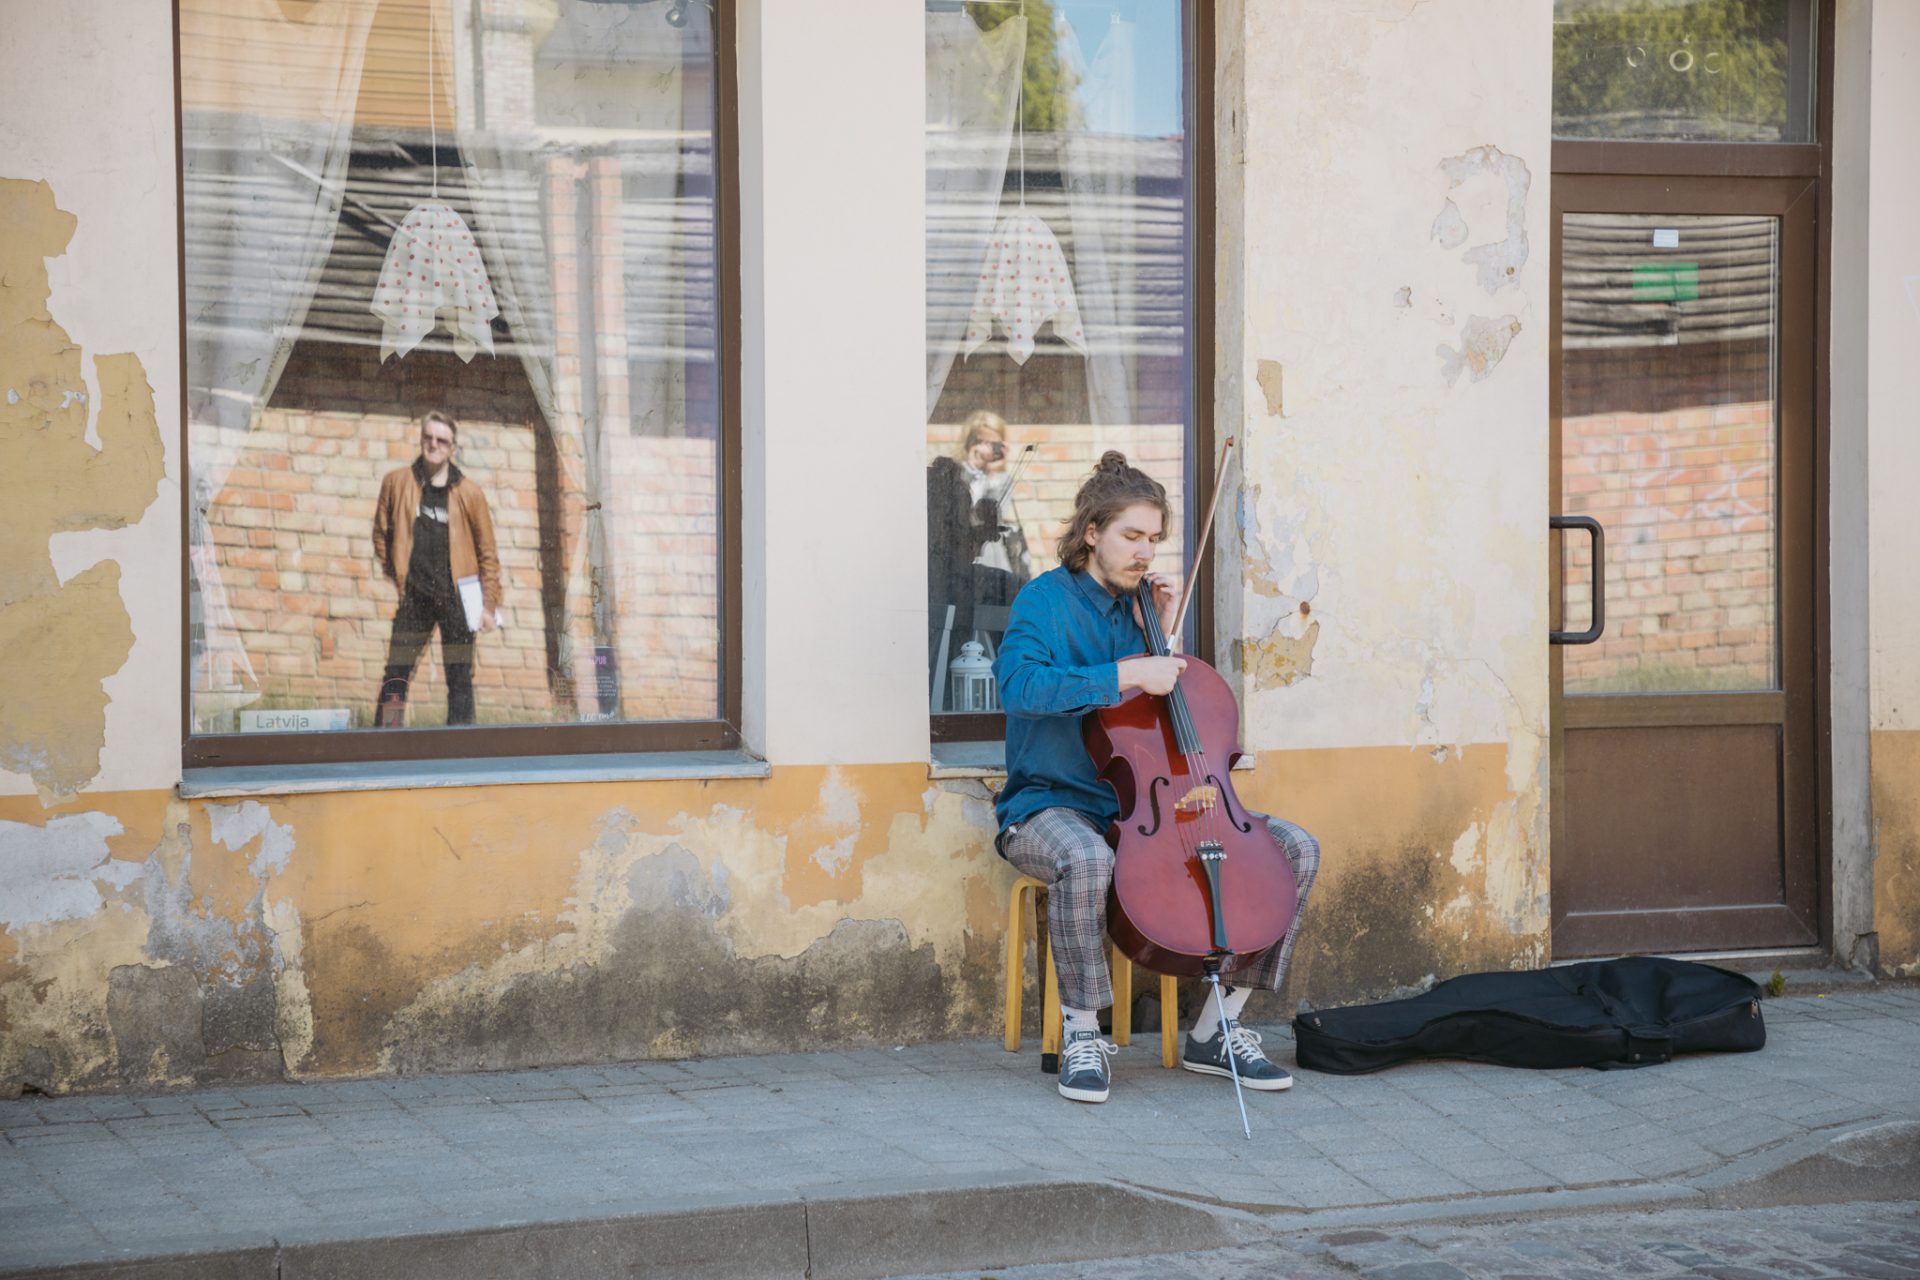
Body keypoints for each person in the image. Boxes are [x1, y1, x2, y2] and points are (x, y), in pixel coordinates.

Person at [993, 451, 1321, 1104]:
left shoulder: (1145, 612)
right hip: (1050, 805)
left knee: (1293, 849)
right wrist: (1126, 673)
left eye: (1153, 539)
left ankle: (1217, 1028)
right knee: (1085, 857)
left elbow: (1158, 727)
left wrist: (1160, 640)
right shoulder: (1044, 601)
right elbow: (1020, 684)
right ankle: (1085, 1034)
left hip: (1149, 812)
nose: (1145, 552)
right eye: (1131, 536)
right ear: (1093, 533)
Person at [371, 411, 501, 726]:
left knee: (459, 677)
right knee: (396, 674)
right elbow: (381, 533)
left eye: (442, 440)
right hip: (415, 598)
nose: (434, 444)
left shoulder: (469, 493)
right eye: (429, 437)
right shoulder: (397, 482)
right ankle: (383, 745)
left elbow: (488, 553)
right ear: (421, 440)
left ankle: (460, 751)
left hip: (458, 600)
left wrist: (489, 604)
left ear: (452, 447)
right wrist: (398, 573)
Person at [927, 411, 1032, 700]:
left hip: (974, 571)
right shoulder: (954, 488)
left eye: (997, 443)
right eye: (983, 442)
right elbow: (955, 543)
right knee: (1014, 591)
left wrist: (980, 533)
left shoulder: (996, 479)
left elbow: (966, 535)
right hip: (959, 584)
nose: (991, 449)